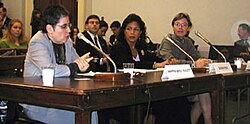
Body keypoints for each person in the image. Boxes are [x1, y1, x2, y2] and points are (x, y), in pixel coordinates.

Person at [22, 5, 98, 124]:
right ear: (49, 28)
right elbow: (49, 70)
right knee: (80, 112)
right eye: (64, 26)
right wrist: (75, 66)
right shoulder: (37, 42)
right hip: (40, 100)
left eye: (69, 26)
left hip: (63, 95)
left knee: (90, 109)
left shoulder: (66, 41)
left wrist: (83, 64)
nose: (69, 30)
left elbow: (77, 62)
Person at [108, 13, 190, 124]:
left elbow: (150, 57)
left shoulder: (140, 45)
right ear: (124, 31)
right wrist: (155, 65)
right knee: (166, 102)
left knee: (178, 99)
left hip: (144, 87)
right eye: (129, 29)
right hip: (124, 90)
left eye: (136, 29)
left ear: (140, 32)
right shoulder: (119, 46)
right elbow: (128, 64)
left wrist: (166, 62)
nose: (132, 32)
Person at [157, 12, 212, 124]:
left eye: (184, 25)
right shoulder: (168, 41)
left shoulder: (187, 42)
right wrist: (193, 64)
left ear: (189, 28)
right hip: (168, 85)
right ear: (173, 26)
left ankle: (206, 120)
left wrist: (205, 61)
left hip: (184, 82)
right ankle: (208, 121)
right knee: (203, 95)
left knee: (204, 92)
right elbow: (171, 62)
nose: (180, 28)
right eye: (177, 24)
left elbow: (196, 58)